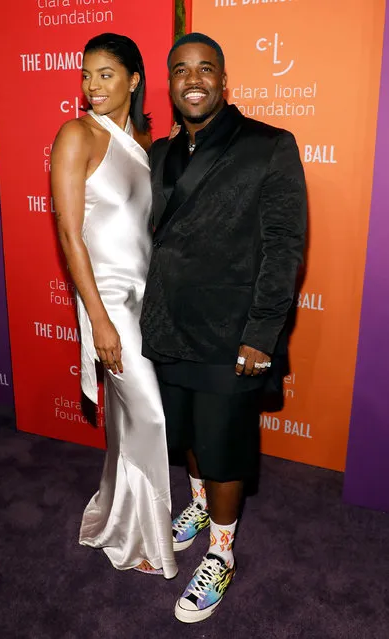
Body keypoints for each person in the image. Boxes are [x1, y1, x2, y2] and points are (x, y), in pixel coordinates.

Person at [140, 32, 307, 622]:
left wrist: (262, 333)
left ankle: (222, 551)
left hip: (231, 332)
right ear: (169, 81)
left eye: (205, 68)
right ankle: (200, 505)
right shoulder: (158, 153)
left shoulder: (268, 145)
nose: (193, 79)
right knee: (187, 435)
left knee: (225, 448)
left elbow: (286, 245)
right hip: (166, 325)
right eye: (181, 69)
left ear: (224, 80)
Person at [51, 33, 177, 579]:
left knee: (129, 420)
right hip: (109, 301)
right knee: (150, 413)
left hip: (150, 296)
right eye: (85, 75)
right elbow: (69, 233)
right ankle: (148, 541)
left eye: (104, 74)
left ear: (134, 79)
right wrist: (97, 319)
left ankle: (118, 518)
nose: (91, 86)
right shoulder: (76, 135)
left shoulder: (146, 140)